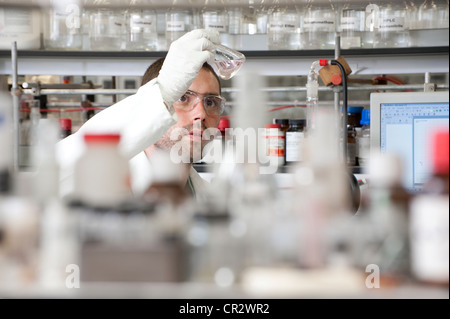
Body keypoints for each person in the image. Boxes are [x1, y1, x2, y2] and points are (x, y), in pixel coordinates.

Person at [56, 29, 223, 202]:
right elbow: (56, 171)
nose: (201, 114)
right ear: (158, 105)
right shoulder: (102, 184)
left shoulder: (211, 198)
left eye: (210, 102)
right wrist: (165, 90)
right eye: (182, 97)